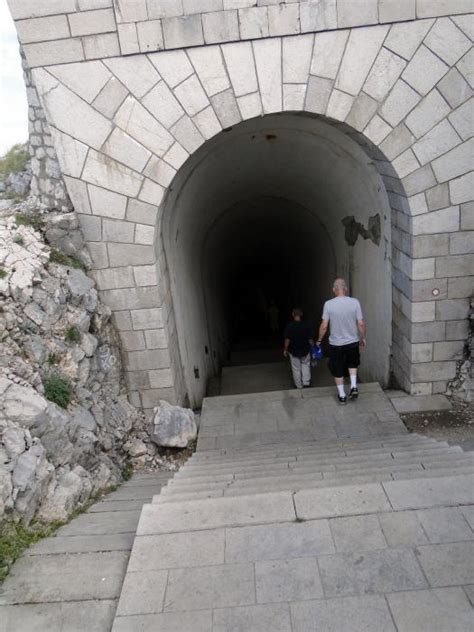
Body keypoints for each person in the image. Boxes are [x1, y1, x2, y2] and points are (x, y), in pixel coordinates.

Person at [316, 278, 366, 404]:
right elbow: (360, 323)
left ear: (334, 290)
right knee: (352, 363)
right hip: (352, 341)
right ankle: (354, 386)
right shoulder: (355, 302)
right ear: (346, 289)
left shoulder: (328, 304)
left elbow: (324, 325)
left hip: (336, 344)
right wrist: (363, 337)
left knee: (337, 368)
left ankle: (342, 395)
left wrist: (319, 340)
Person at [283, 308, 313, 389]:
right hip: (305, 349)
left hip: (293, 350)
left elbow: (287, 339)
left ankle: (298, 385)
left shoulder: (289, 326)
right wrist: (313, 347)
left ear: (293, 314)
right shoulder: (306, 325)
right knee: (306, 365)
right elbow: (310, 339)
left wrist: (285, 349)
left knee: (296, 368)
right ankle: (306, 383)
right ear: (301, 314)